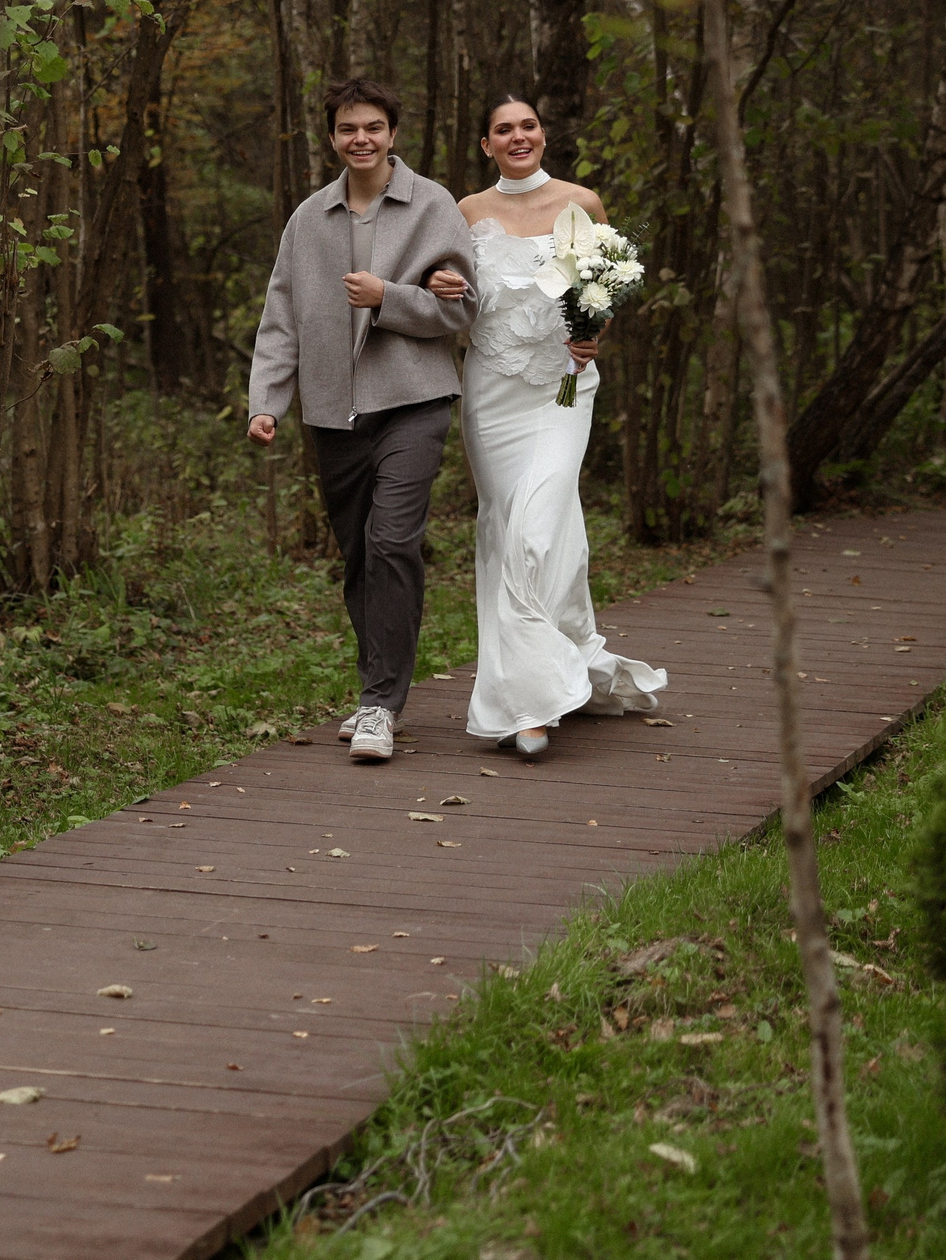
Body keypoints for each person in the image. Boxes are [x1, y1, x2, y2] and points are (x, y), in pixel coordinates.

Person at [428, 93, 665, 758]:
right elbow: (447, 288)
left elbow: (603, 286)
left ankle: (526, 705)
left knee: (537, 528)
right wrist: (443, 285)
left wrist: (595, 336)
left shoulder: (580, 202)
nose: (517, 135)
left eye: (527, 124)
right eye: (503, 128)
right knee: (513, 532)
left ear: (542, 132)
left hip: (563, 389)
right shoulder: (466, 212)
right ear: (486, 144)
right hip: (491, 393)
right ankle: (558, 666)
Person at [248, 78, 476, 763]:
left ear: (392, 134)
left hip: (413, 399)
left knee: (392, 542)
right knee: (358, 556)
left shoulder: (432, 205)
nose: (362, 138)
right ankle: (377, 690)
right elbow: (281, 317)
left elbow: (464, 310)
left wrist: (389, 299)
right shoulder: (309, 218)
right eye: (349, 128)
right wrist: (267, 402)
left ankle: (380, 702)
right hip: (332, 413)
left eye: (374, 126)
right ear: (332, 137)